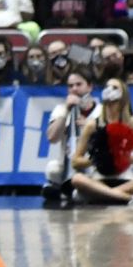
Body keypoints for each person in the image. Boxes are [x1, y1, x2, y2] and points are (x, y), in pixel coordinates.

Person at [71, 77, 133, 205]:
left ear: (123, 95)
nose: (109, 90)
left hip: (125, 177)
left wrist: (126, 157)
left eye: (115, 88)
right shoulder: (92, 125)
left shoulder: (132, 123)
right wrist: (95, 159)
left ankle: (106, 196)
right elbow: (75, 161)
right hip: (99, 177)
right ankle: (129, 198)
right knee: (77, 179)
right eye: (107, 87)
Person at [43, 70, 102, 201]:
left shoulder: (101, 111)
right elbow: (52, 138)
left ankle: (69, 193)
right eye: (70, 86)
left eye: (78, 84)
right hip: (68, 162)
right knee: (52, 169)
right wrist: (66, 111)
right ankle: (69, 190)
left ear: (90, 86)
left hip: (93, 163)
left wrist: (92, 128)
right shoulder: (60, 109)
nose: (74, 89)